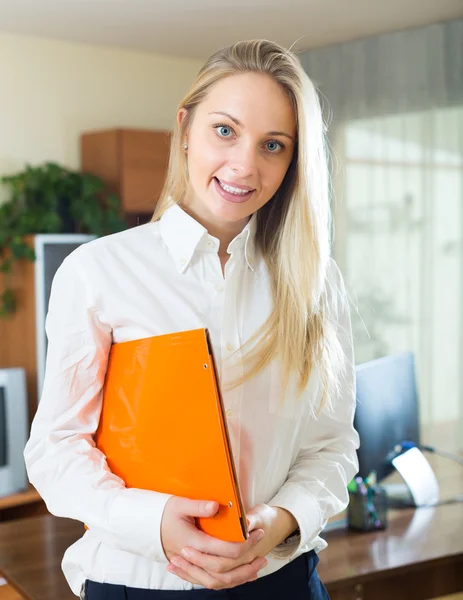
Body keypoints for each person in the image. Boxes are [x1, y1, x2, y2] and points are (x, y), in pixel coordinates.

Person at [24, 39, 359, 599]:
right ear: (185, 128)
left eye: (272, 145)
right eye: (224, 131)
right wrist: (151, 523)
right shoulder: (99, 272)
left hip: (280, 581)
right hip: (139, 583)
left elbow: (332, 448)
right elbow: (56, 448)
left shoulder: (316, 285)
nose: (244, 165)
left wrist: (284, 520)